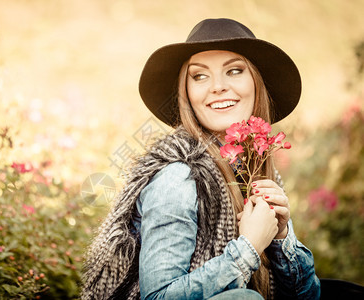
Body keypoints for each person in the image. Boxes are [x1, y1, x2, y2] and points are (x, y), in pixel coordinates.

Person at [82, 18, 321, 300]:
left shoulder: (254, 169)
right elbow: (157, 297)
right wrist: (249, 246)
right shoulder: (179, 177)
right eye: (200, 76)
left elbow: (307, 296)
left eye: (234, 71)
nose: (218, 87)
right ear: (188, 94)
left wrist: (280, 236)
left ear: (257, 83)